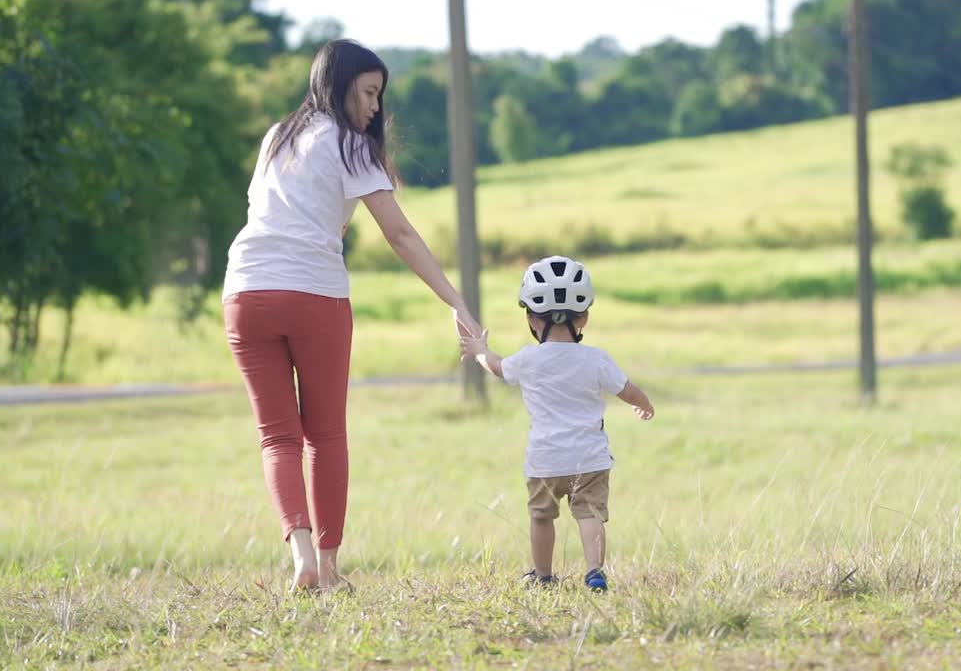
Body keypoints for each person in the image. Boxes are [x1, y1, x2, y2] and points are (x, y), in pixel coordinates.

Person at [221, 39, 480, 593]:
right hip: (312, 294)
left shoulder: (276, 137)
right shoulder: (350, 144)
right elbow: (401, 234)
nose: (374, 108)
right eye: (367, 93)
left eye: (379, 96)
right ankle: (331, 569)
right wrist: (456, 303)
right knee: (325, 434)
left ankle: (302, 560)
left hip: (244, 292)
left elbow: (273, 210)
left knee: (276, 438)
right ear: (339, 86)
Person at [460, 255, 654, 592]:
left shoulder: (528, 359)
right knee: (590, 514)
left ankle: (543, 575)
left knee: (541, 516)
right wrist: (644, 404)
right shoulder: (596, 359)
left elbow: (497, 367)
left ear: (532, 320)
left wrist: (479, 349)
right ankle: (594, 571)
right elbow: (627, 390)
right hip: (590, 458)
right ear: (585, 319)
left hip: (545, 460)